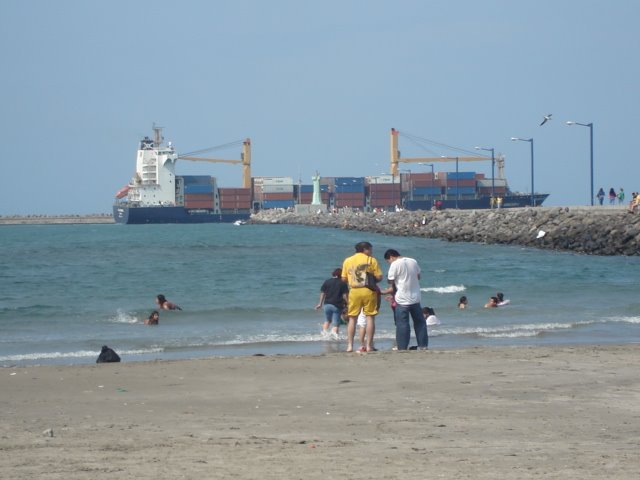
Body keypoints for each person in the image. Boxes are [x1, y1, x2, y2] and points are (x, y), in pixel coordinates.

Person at [381, 249, 428, 351]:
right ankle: (423, 345)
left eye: (388, 261)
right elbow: (418, 276)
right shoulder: (413, 261)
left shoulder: (395, 264)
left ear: (391, 257)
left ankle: (402, 347)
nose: (389, 263)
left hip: (402, 298)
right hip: (415, 297)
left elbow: (390, 280)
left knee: (402, 323)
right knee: (420, 322)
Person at [341, 241, 383, 353]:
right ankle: (369, 346)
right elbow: (379, 277)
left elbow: (344, 279)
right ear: (365, 249)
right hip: (368, 290)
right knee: (370, 317)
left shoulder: (348, 260)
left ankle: (350, 346)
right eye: (370, 249)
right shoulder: (371, 260)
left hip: (354, 290)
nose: (371, 251)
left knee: (352, 318)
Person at [315, 268, 349, 339]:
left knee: (327, 320)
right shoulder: (343, 283)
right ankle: (334, 338)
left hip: (327, 305)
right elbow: (345, 295)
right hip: (337, 305)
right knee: (336, 324)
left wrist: (320, 304)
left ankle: (324, 336)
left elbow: (322, 293)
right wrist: (349, 303)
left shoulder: (327, 281)